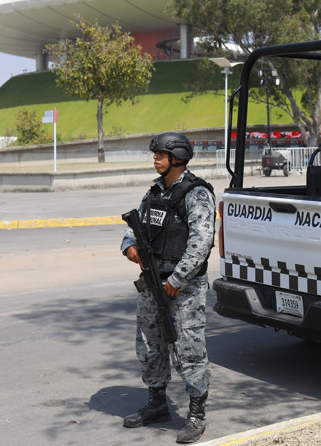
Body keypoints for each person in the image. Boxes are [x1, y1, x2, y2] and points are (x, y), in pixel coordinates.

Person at [120, 131, 215, 444]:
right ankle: (157, 404)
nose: (155, 159)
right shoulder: (154, 192)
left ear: (177, 157)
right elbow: (135, 227)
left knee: (188, 347)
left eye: (160, 154)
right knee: (150, 344)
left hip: (181, 287)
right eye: (155, 154)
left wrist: (177, 280)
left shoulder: (196, 193)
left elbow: (202, 242)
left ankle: (197, 414)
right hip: (152, 283)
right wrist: (129, 246)